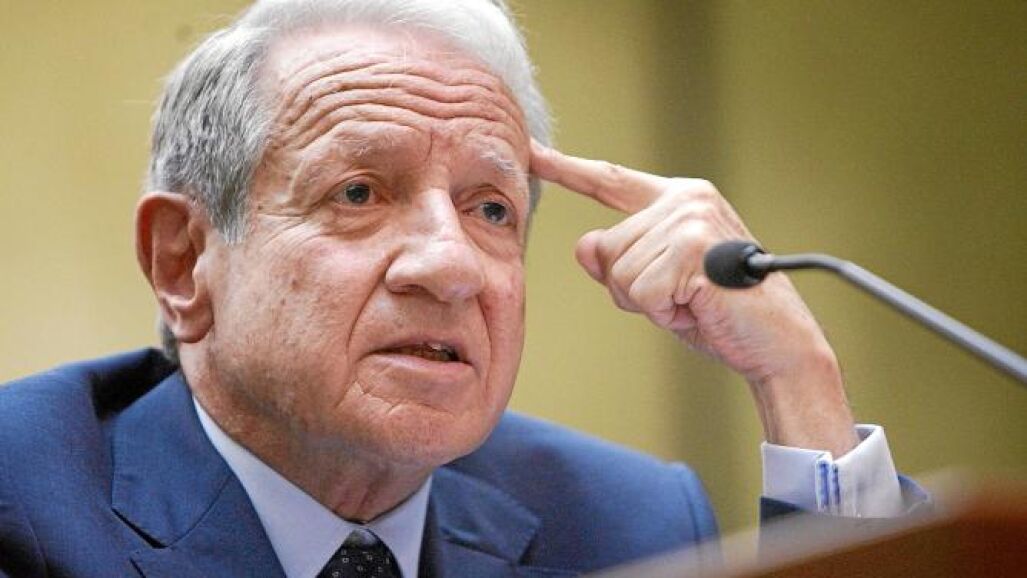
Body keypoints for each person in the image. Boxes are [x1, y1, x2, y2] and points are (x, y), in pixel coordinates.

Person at [0, 1, 926, 576]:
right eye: (358, 193)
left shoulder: (626, 527)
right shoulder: (25, 502)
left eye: (490, 209)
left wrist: (798, 380)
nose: (450, 266)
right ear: (183, 261)